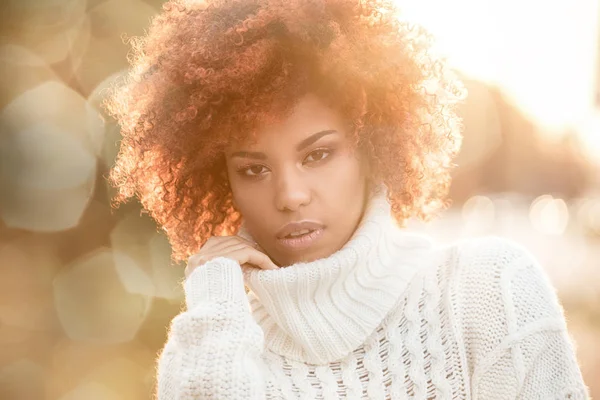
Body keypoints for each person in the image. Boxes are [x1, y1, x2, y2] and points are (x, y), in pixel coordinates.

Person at [104, 0, 589, 398]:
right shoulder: (216, 335)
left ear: (373, 147)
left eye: (317, 155)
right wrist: (213, 299)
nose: (290, 196)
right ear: (221, 178)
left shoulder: (487, 288)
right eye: (254, 169)